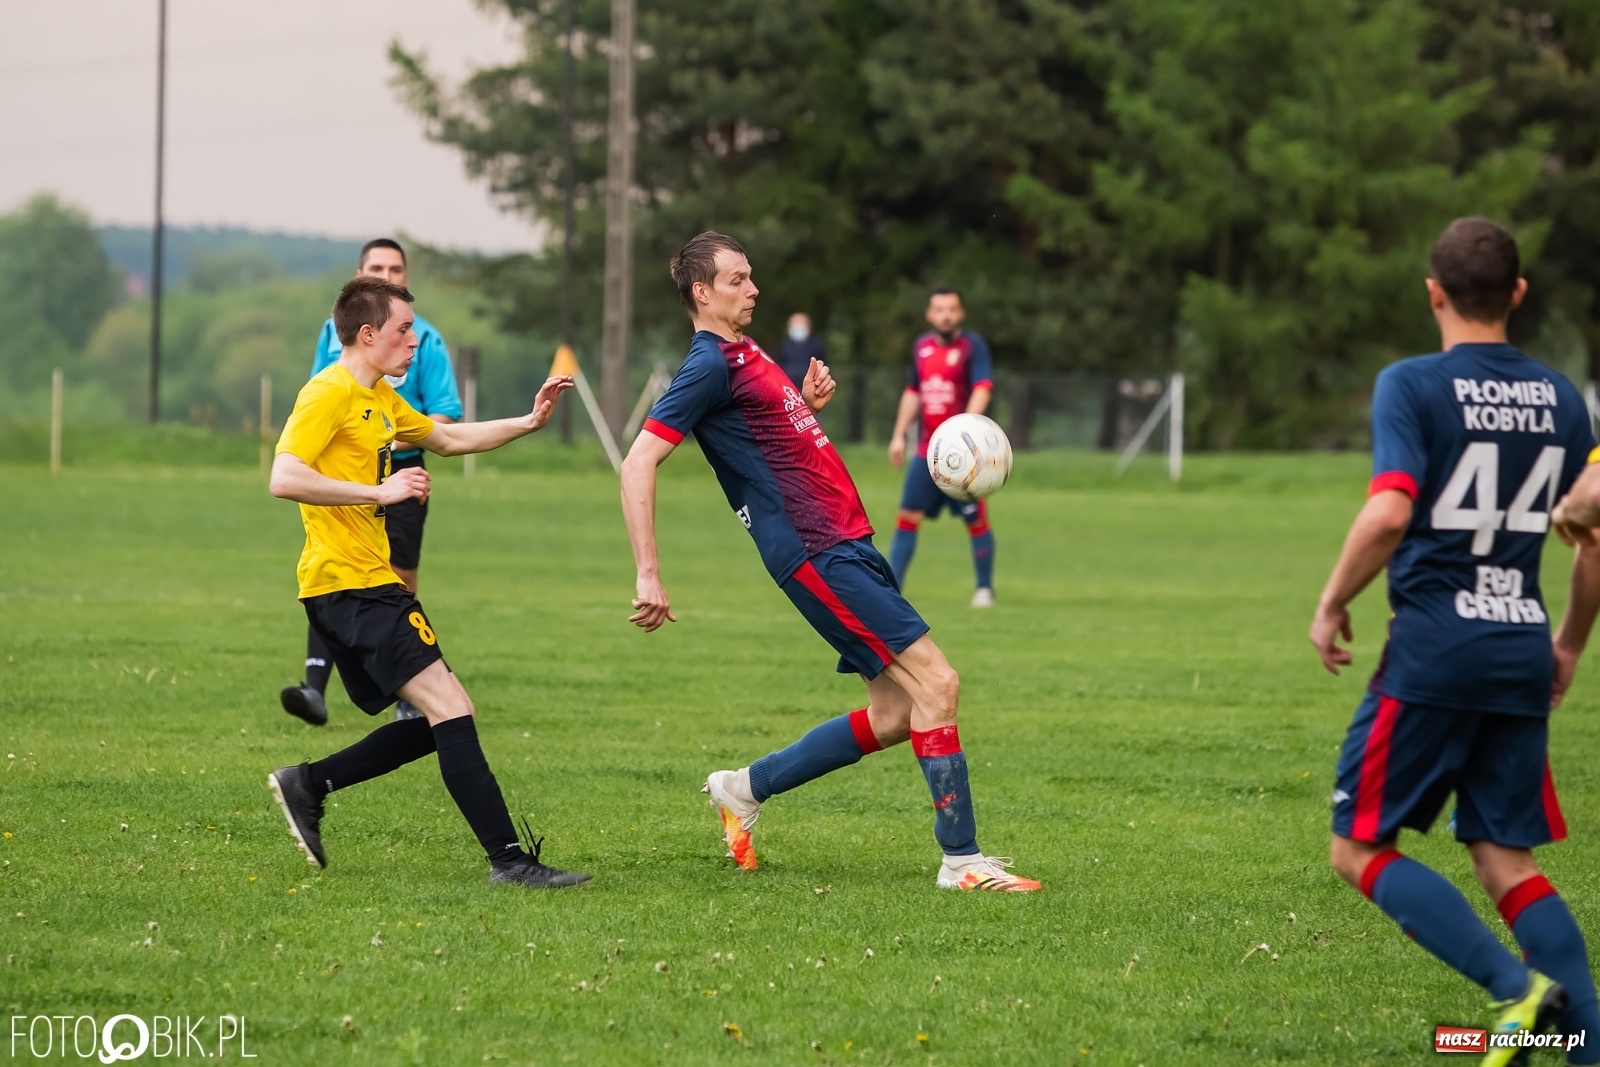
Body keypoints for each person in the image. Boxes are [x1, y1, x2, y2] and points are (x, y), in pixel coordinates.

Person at [620, 232, 1039, 892]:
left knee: (897, 713)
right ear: (701, 293)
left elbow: (760, 438)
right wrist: (648, 570)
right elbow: (638, 459)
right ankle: (961, 860)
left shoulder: (744, 350)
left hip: (846, 541)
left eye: (751, 276)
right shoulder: (706, 363)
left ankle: (742, 787)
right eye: (737, 280)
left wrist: (804, 405)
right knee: (938, 683)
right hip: (817, 550)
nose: (753, 288)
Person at [1310, 217, 1600, 1063]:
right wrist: (1571, 646)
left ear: (1432, 292)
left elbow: (1392, 507)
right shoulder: (1564, 398)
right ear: (1516, 293)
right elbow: (1591, 541)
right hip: (1520, 642)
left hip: (1437, 644)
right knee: (1504, 857)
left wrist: (1331, 601)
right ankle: (1586, 1044)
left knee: (1357, 844)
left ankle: (1519, 993)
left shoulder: (1411, 384)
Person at [266, 275, 588, 889]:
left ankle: (308, 783)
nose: (416, 341)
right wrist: (378, 491)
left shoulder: (380, 397)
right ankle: (510, 861)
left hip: (353, 586)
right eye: (404, 330)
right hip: (351, 586)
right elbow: (284, 476)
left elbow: (444, 438)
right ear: (368, 335)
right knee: (450, 707)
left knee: (432, 722)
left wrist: (528, 421)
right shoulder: (328, 392)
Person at [280, 238, 464, 727]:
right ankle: (316, 688)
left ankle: (405, 690)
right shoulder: (335, 358)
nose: (389, 273)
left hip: (403, 475)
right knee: (335, 572)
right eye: (378, 267)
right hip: (361, 482)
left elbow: (443, 426)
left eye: (396, 267)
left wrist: (528, 422)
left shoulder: (424, 340)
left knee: (394, 579)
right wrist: (374, 478)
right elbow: (326, 406)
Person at [887, 289, 997, 607]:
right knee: (907, 515)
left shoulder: (972, 347)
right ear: (929, 314)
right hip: (927, 453)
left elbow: (983, 388)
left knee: (975, 519)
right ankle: (893, 591)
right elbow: (913, 392)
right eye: (939, 309)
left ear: (960, 313)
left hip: (966, 455)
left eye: (951, 309)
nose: (945, 315)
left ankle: (984, 590)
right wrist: (898, 435)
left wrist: (966, 432)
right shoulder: (921, 347)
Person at [776, 311, 824, 388]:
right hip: (789, 387)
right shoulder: (784, 345)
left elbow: (823, 363)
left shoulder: (816, 345)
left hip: (812, 386)